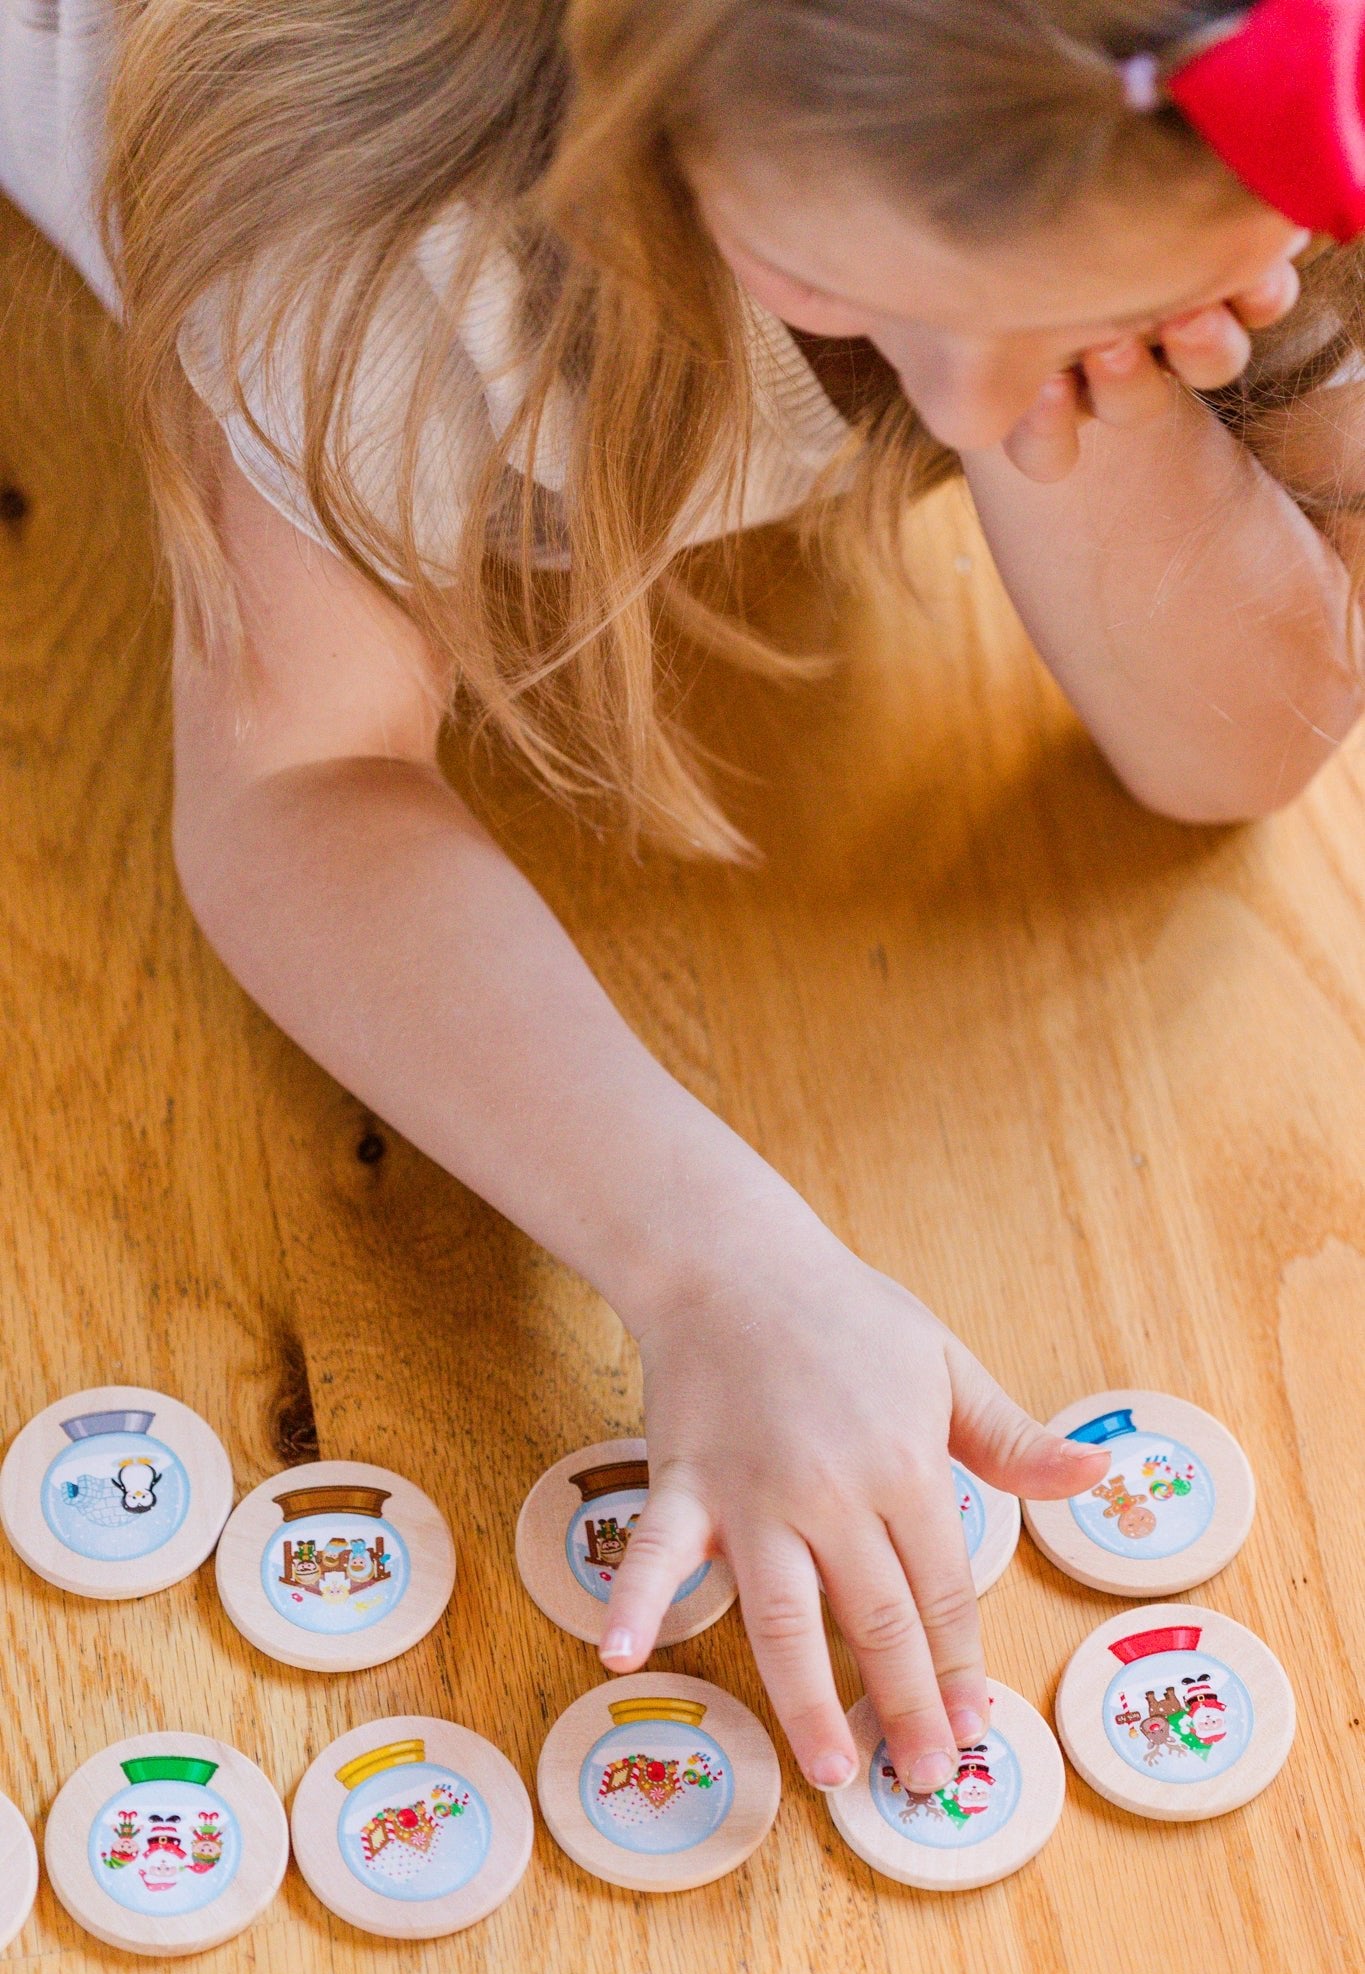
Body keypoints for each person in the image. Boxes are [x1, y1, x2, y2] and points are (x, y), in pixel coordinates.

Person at [2, 0, 1362, 1802]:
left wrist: (1095, 374)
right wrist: (717, 1258)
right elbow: (297, 787)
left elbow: (1230, 752)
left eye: (1144, 316)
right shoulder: (364, 246)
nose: (974, 407)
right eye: (868, 292)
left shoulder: (1207, 109)